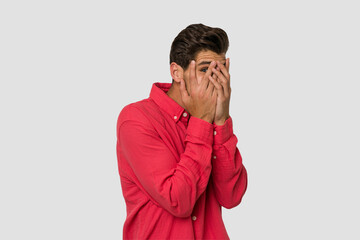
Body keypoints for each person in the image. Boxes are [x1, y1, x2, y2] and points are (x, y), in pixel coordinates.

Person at [116, 23, 248, 240]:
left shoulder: (213, 121)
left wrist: (222, 121)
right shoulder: (136, 119)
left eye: (221, 69)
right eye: (205, 69)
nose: (215, 80)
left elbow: (231, 196)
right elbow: (178, 200)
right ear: (177, 72)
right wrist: (202, 121)